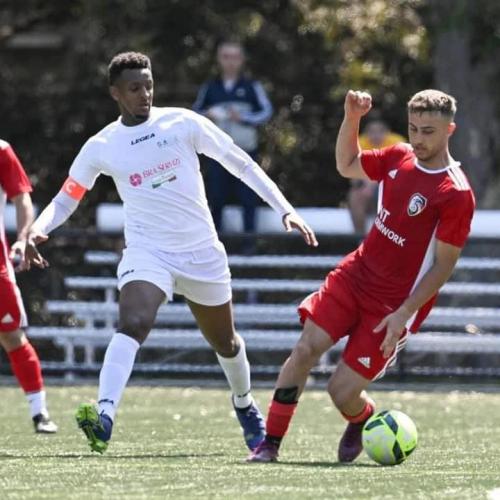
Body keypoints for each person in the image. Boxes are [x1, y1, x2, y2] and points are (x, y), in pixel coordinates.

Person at [25, 52, 317, 454]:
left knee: (226, 343)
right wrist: (37, 231)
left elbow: (241, 164)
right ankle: (105, 415)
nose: (144, 94)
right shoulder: (102, 145)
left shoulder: (182, 122)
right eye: (134, 88)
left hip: (201, 254)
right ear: (115, 93)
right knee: (133, 323)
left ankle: (244, 404)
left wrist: (285, 209)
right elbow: (66, 198)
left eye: (148, 85)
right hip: (148, 252)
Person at [248, 89, 475, 463]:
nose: (418, 139)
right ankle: (269, 444)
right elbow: (347, 164)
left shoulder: (456, 193)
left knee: (342, 392)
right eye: (413, 128)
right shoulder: (398, 156)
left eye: (429, 131)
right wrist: (351, 118)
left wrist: (403, 313)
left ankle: (362, 417)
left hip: (392, 305)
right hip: (354, 276)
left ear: (450, 130)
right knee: (305, 350)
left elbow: (444, 265)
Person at [0, 140, 57, 433]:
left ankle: (40, 413)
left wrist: (22, 238)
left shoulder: (1, 150)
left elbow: (22, 198)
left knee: (12, 336)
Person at [193, 39, 273, 236]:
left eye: (235, 57)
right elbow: (194, 114)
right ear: (219, 59)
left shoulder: (252, 86)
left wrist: (243, 117)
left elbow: (266, 112)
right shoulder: (210, 87)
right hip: (217, 153)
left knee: (248, 197)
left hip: (246, 151)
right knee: (215, 197)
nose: (230, 62)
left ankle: (249, 246)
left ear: (242, 60)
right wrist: (208, 115)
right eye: (226, 57)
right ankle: (215, 245)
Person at [347, 117, 405, 234]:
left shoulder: (397, 142)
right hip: (366, 186)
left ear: (387, 132)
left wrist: (372, 184)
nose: (376, 135)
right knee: (354, 197)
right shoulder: (359, 143)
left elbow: (399, 170)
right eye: (372, 132)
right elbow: (353, 175)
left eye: (380, 131)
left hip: (393, 185)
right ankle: (359, 238)